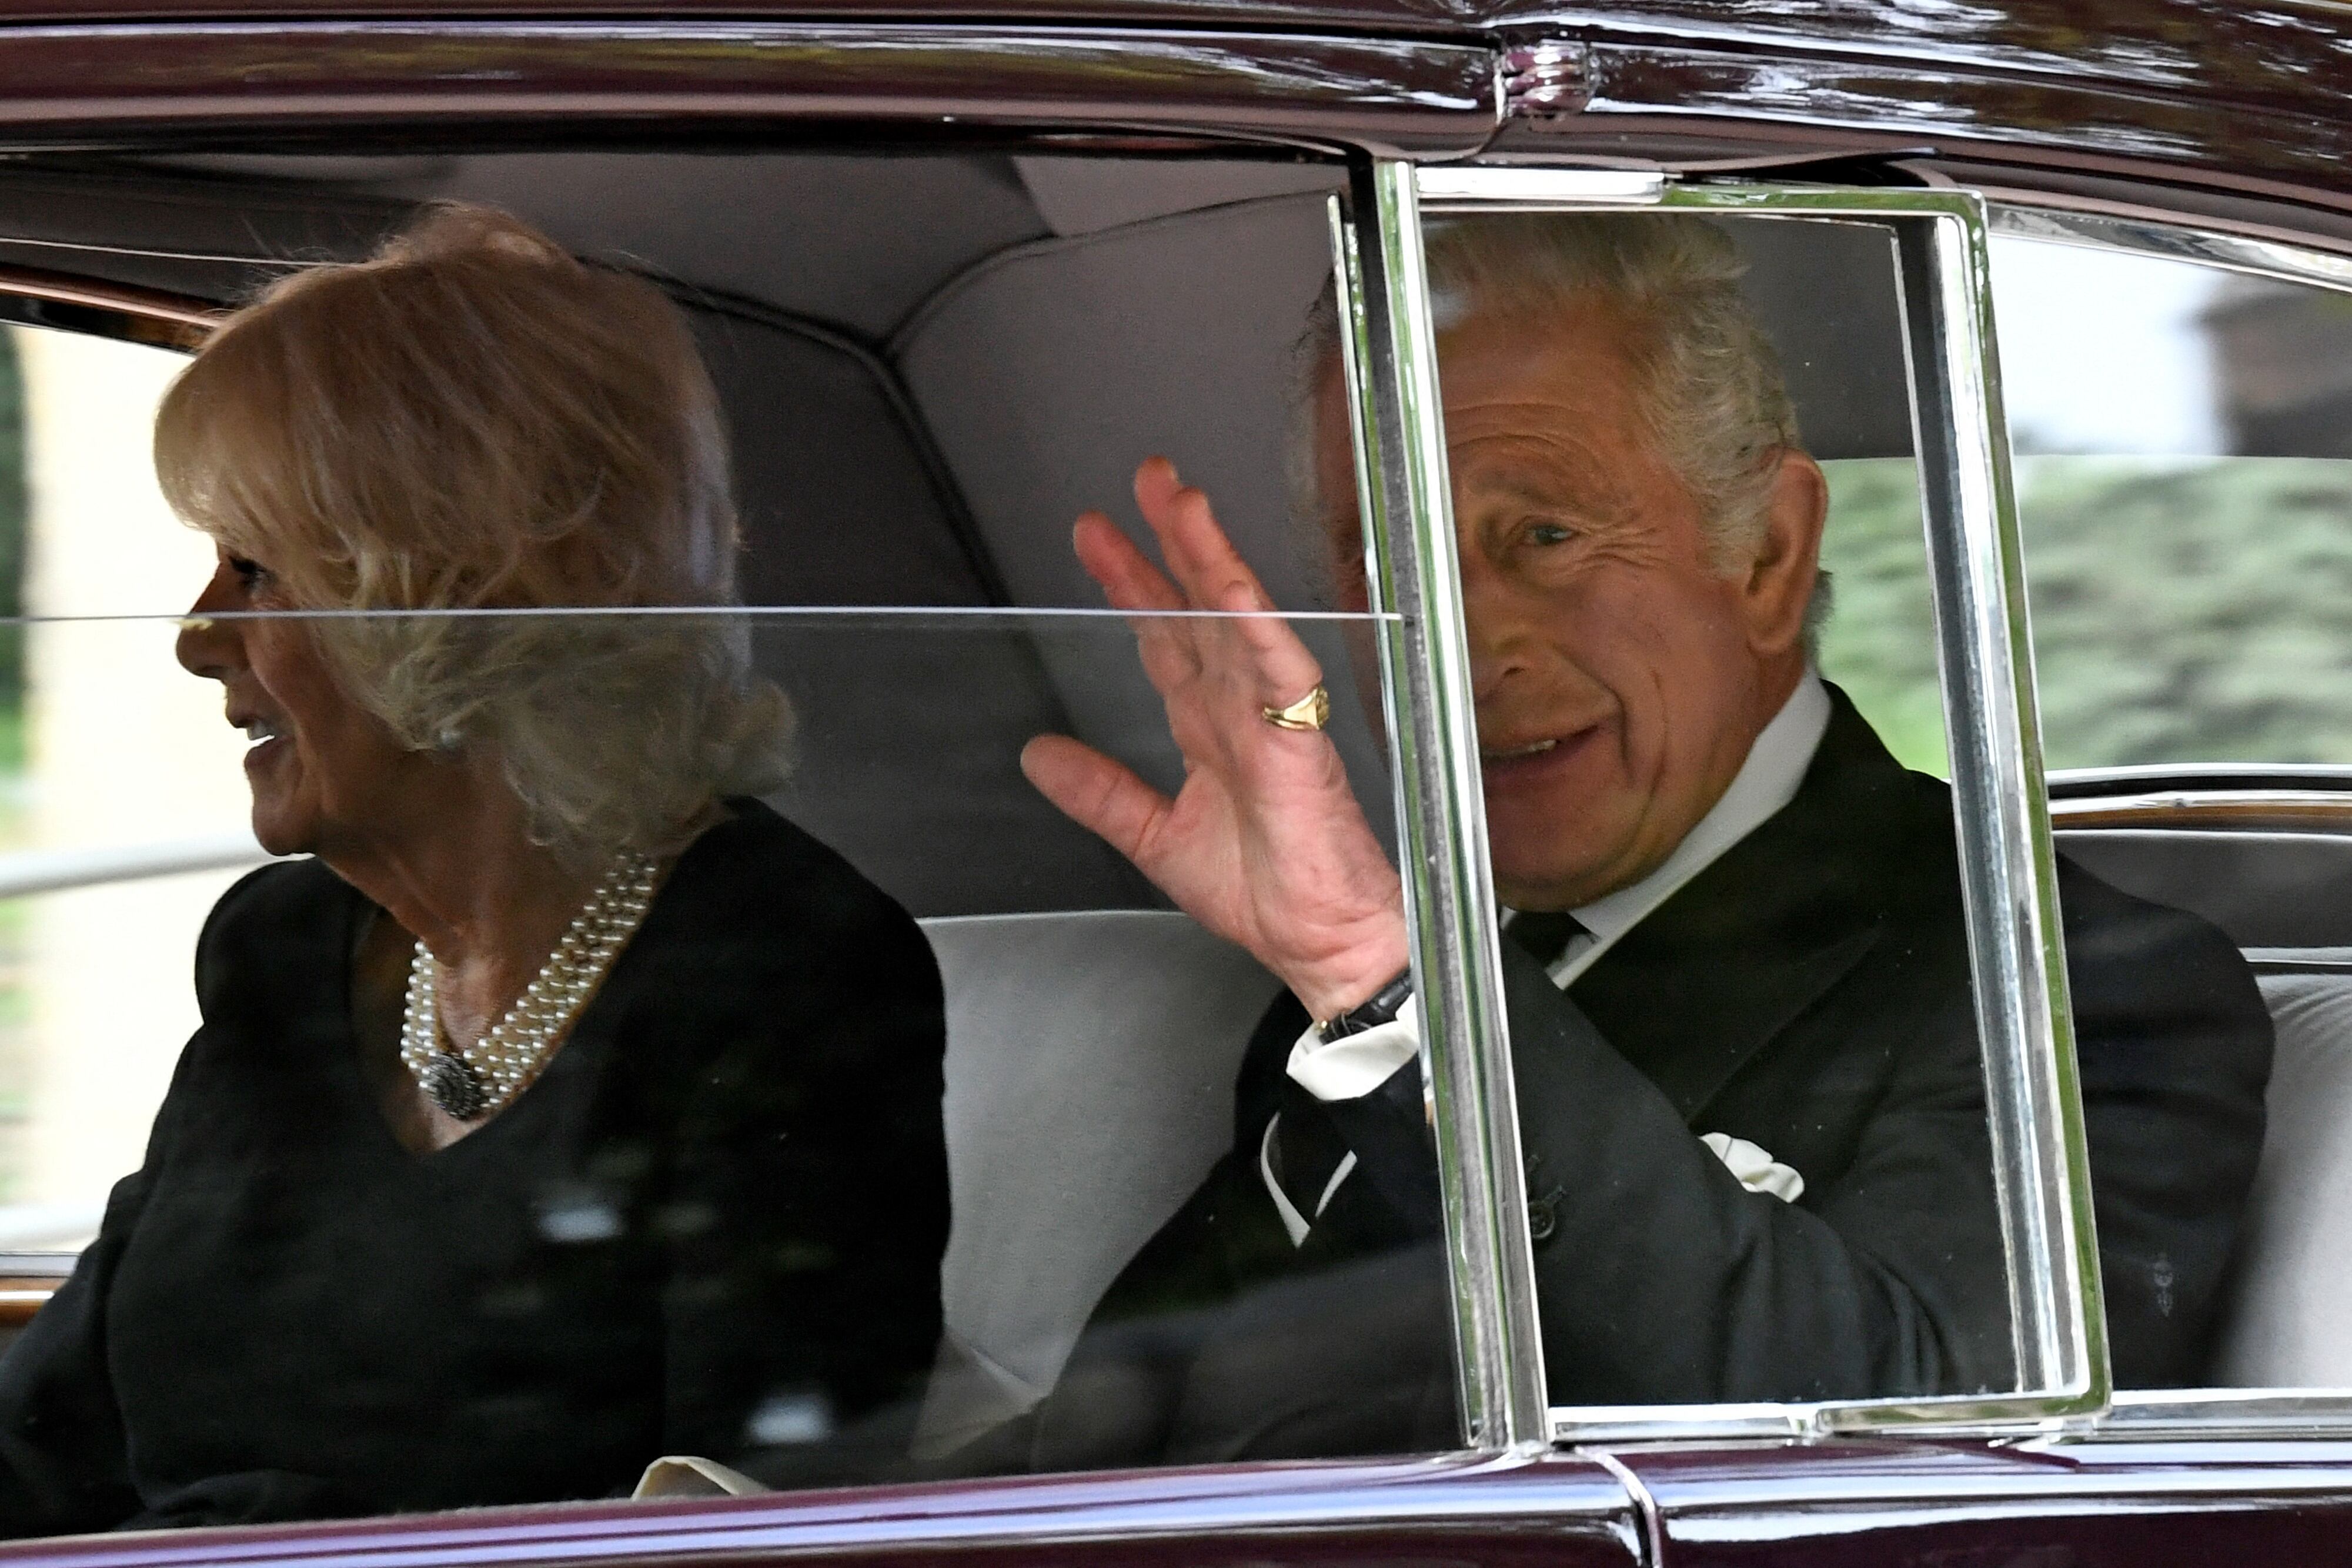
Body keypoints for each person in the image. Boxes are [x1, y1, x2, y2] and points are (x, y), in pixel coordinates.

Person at [1014, 213, 2271, 1460]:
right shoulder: (1393, 958)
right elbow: (1109, 1447)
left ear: (1767, 556)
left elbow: (1915, 1455)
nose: (1459, 652)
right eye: (1393, 560)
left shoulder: (2072, 990)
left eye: (1543, 537)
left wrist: (1383, 981)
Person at [0, 205, 950, 1533]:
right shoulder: (276, 947)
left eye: (256, 567)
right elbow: (50, 1425)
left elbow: (763, 1515)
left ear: (456, 589)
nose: (196, 635)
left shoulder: (780, 962)